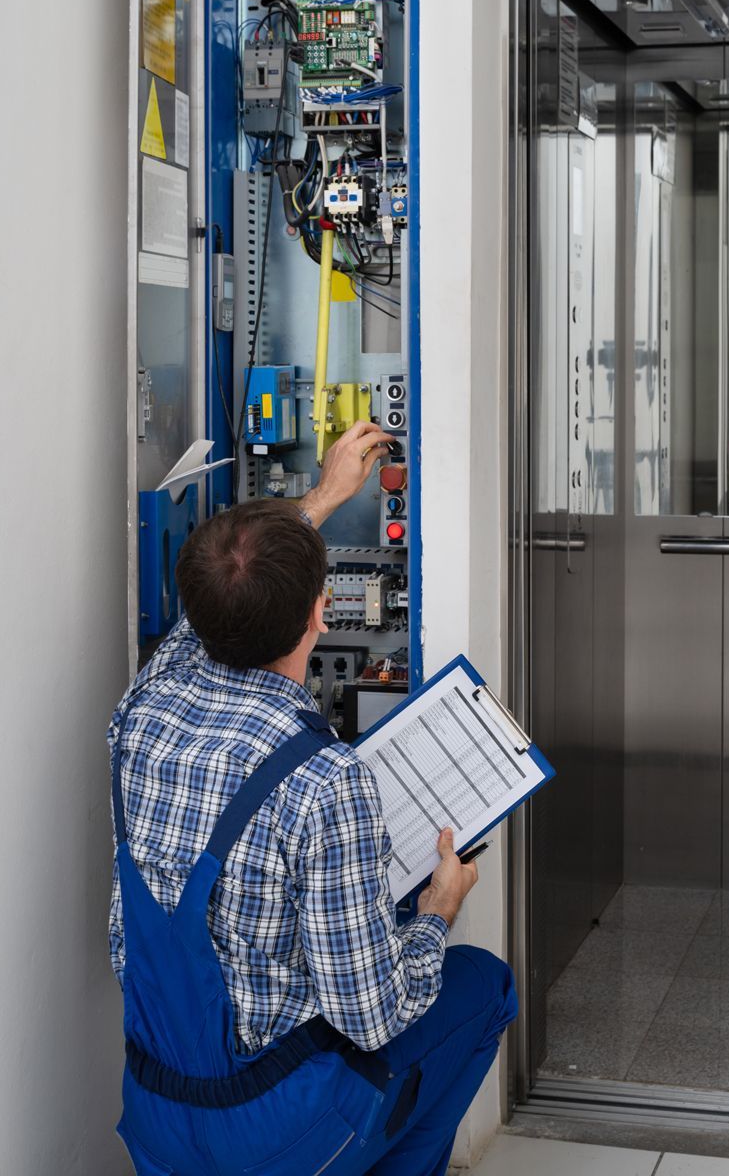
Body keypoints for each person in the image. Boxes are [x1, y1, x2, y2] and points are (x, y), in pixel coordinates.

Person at [108, 420, 516, 1176]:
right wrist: (436, 915)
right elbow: (371, 1015)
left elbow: (205, 619)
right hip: (273, 1128)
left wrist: (321, 499)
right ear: (320, 616)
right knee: (483, 985)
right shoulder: (325, 783)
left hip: (159, 1108)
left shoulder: (141, 708)